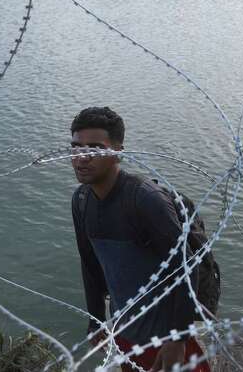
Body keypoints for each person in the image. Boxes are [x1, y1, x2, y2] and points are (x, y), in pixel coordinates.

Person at [69, 107, 210, 372]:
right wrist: (96, 318)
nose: (82, 157)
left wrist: (176, 339)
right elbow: (90, 264)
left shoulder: (145, 199)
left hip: (167, 337)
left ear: (118, 151)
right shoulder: (81, 201)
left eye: (95, 148)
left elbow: (186, 267)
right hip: (126, 333)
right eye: (76, 147)